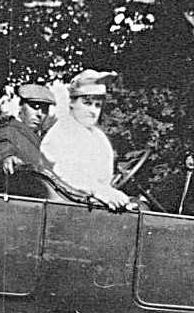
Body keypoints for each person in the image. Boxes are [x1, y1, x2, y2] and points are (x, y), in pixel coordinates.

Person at [40, 69, 131, 210]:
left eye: (97, 105)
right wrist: (99, 191)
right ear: (72, 102)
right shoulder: (60, 133)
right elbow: (63, 176)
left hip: (92, 205)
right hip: (66, 207)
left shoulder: (98, 137)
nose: (93, 111)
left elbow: (104, 180)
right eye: (87, 103)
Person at [0, 84, 57, 183]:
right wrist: (6, 160)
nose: (40, 114)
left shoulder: (41, 141)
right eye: (35, 107)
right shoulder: (7, 132)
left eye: (45, 109)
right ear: (20, 107)